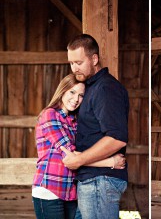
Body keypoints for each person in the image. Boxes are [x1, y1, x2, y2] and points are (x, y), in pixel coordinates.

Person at [32, 74, 125, 219]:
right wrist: (110, 162)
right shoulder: (50, 115)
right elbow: (71, 157)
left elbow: (81, 156)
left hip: (69, 192)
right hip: (49, 189)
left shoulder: (74, 122)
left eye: (81, 95)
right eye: (72, 92)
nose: (76, 99)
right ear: (62, 91)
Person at [61, 34, 129, 219]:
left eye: (79, 62)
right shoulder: (90, 88)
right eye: (71, 63)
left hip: (101, 181)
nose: (74, 68)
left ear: (94, 59)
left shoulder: (105, 88)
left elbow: (116, 138)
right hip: (92, 180)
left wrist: (80, 159)